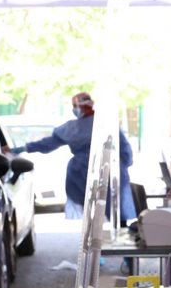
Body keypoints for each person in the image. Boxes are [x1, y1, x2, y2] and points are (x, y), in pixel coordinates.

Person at [10, 92, 135, 223]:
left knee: (91, 212)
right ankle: (118, 229)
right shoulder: (106, 124)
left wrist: (23, 148)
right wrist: (124, 165)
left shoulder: (72, 129)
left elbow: (47, 144)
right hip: (110, 169)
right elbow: (125, 149)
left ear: (78, 107)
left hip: (81, 174)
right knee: (115, 211)